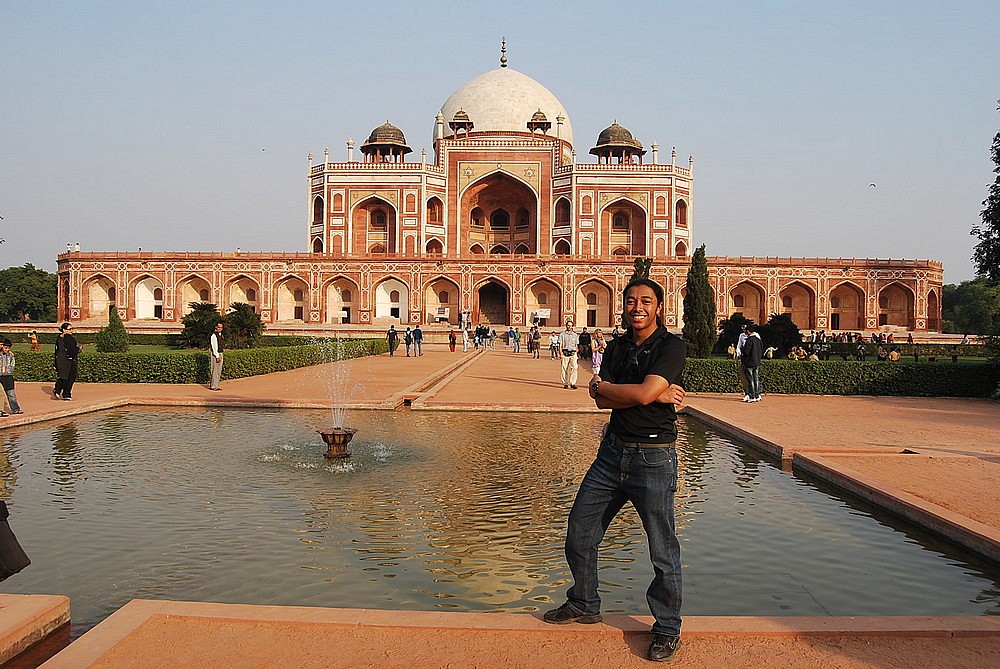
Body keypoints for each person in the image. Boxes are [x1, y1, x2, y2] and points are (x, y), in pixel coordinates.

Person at [544, 278, 687, 663]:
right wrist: (644, 392)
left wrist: (615, 389)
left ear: (659, 306)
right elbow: (600, 404)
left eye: (645, 301)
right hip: (611, 454)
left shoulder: (672, 346)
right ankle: (584, 603)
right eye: (630, 301)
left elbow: (627, 394)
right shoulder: (619, 345)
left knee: (662, 549)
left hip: (653, 458)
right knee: (580, 531)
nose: (636, 307)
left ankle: (667, 628)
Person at [53, 322, 82, 400]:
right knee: (70, 377)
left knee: (63, 376)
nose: (71, 331)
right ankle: (66, 394)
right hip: (69, 360)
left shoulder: (59, 338)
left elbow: (57, 350)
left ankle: (57, 390)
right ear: (64, 330)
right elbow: (73, 350)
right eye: (70, 329)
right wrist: (79, 349)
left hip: (60, 359)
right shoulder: (68, 338)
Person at [0, 340, 23, 416]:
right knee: (1, 393)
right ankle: (1, 410)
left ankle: (15, 409)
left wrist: (8, 371)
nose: (7, 350)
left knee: (11, 393)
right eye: (5, 348)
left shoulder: (10, 355)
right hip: (0, 376)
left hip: (8, 376)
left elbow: (12, 365)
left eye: (8, 348)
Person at [741, 323, 763, 403]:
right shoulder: (758, 340)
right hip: (757, 361)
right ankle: (757, 395)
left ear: (748, 331)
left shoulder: (749, 340)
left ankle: (752, 395)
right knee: (756, 379)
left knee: (750, 380)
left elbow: (746, 352)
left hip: (749, 362)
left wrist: (742, 349)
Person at [558, 320, 580, 389]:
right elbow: (560, 344)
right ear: (566, 326)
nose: (569, 327)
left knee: (575, 368)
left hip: (573, 353)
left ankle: (572, 383)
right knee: (564, 368)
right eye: (568, 325)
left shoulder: (575, 335)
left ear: (572, 326)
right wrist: (560, 353)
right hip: (565, 353)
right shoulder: (562, 334)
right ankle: (565, 383)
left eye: (570, 325)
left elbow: (577, 344)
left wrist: (576, 351)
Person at [208, 321, 225, 391]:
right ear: (216, 327)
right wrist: (217, 356)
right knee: (215, 370)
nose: (219, 328)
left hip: (220, 353)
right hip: (216, 354)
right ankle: (213, 386)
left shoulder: (221, 335)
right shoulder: (214, 335)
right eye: (218, 327)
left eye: (221, 327)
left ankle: (216, 385)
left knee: (218, 370)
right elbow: (214, 346)